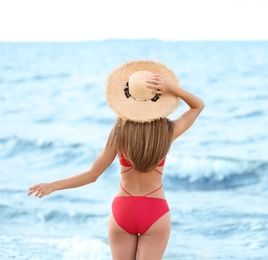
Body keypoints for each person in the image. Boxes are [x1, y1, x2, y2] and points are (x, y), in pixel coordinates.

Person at [27, 60, 205, 260]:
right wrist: (172, 88)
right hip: (155, 210)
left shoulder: (120, 133)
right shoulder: (167, 132)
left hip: (124, 210)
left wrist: (53, 185)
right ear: (159, 98)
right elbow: (198, 106)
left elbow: (92, 175)